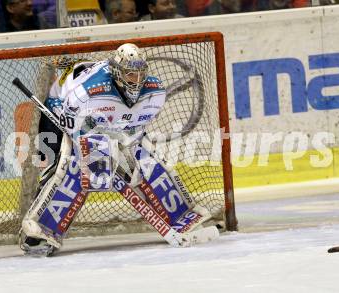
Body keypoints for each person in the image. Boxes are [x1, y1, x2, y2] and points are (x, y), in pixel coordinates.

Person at [19, 43, 213, 256]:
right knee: (71, 165)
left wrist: (122, 142)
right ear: (116, 73)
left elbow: (136, 127)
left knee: (146, 159)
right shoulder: (88, 91)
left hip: (106, 120)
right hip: (63, 103)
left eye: (141, 74)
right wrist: (96, 147)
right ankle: (39, 231)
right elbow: (74, 131)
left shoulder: (155, 92)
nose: (137, 80)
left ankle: (181, 215)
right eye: (131, 75)